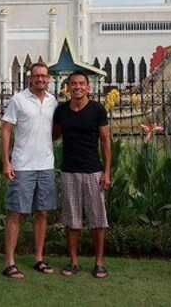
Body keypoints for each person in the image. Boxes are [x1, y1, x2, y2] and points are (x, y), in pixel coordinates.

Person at [0, 62, 58, 279]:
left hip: (45, 165)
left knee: (42, 212)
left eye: (44, 76)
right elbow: (6, 131)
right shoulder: (18, 100)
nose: (41, 79)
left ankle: (39, 258)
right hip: (23, 166)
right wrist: (6, 162)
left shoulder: (53, 101)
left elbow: (54, 130)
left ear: (48, 78)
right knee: (16, 212)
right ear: (30, 78)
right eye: (37, 76)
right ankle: (9, 262)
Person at [52, 70, 111, 279]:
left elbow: (105, 141)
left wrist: (106, 171)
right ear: (68, 87)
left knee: (97, 220)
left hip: (93, 171)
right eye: (73, 84)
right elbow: (53, 135)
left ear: (88, 87)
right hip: (69, 171)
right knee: (72, 220)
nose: (77, 87)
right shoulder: (62, 111)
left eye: (81, 84)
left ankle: (99, 262)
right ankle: (73, 261)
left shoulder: (97, 110)